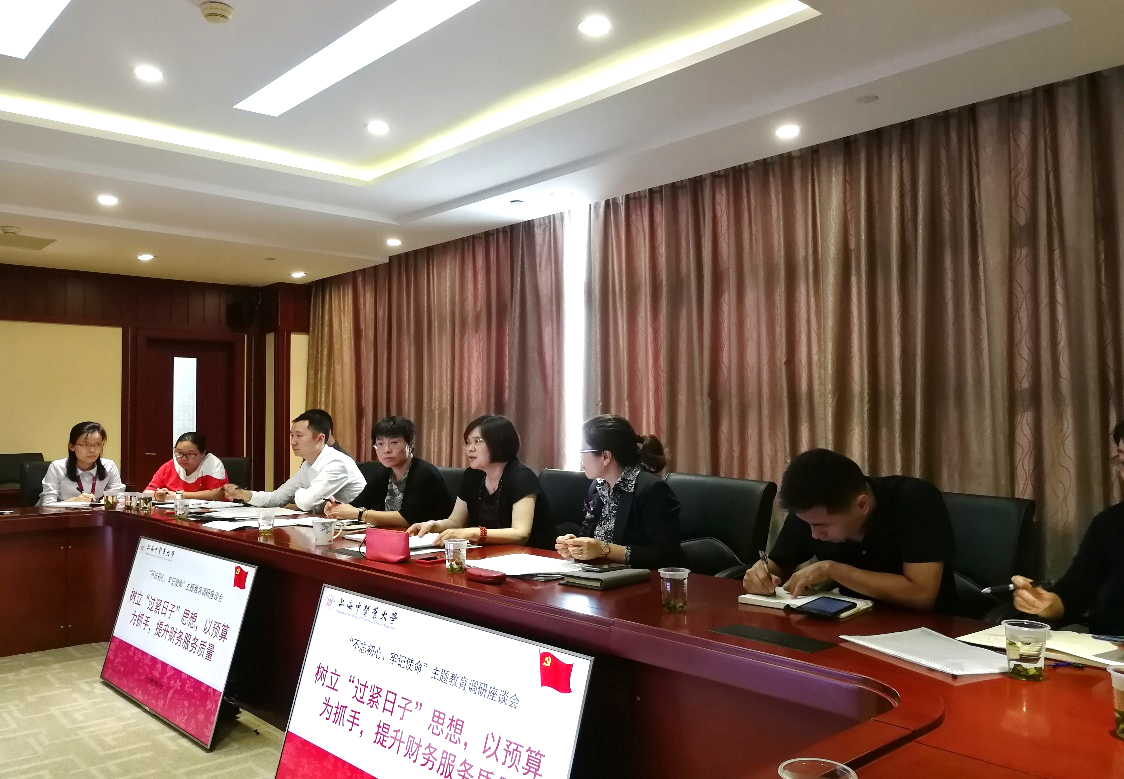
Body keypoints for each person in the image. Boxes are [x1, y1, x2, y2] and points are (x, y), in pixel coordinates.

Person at [743, 448, 958, 613]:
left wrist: (832, 570)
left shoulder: (914, 500)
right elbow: (779, 564)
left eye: (822, 526)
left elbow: (921, 595)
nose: (814, 535)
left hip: (927, 631)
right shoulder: (811, 512)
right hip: (850, 622)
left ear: (862, 505)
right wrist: (761, 575)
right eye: (808, 524)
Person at [1010, 421, 1124, 634]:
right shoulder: (1110, 523)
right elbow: (1073, 595)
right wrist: (1045, 603)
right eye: (1123, 462)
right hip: (1106, 652)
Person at [555, 414, 682, 568]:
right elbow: (589, 535)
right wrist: (575, 545)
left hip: (638, 578)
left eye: (583, 450)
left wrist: (604, 550)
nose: (581, 457)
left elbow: (667, 556)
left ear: (606, 457)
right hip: (600, 575)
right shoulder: (597, 486)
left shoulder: (652, 490)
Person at [407, 415, 551, 547]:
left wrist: (474, 533)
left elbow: (521, 534)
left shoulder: (522, 477)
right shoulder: (472, 475)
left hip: (532, 557)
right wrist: (433, 525)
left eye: (477, 441)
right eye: (468, 442)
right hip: (489, 554)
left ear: (499, 442)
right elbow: (455, 522)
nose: (470, 449)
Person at [223, 411, 365, 512]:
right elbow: (278, 497)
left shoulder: (336, 463)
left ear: (320, 438)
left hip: (357, 530)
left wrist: (299, 492)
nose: (293, 442)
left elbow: (307, 503)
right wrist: (243, 494)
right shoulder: (308, 464)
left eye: (299, 436)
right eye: (292, 435)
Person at [325, 416, 453, 527]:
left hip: (429, 541)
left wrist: (360, 514)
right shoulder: (384, 472)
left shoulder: (424, 473)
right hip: (393, 537)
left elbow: (408, 518)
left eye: (394, 443)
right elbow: (358, 504)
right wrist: (337, 508)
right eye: (380, 444)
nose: (386, 450)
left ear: (410, 444)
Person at [39, 421, 125, 505]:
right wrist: (74, 502)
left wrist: (110, 502)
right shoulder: (57, 467)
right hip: (62, 514)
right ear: (72, 446)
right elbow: (47, 505)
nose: (92, 450)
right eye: (85, 445)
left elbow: (119, 498)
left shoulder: (109, 466)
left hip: (94, 513)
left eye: (97, 444)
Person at [144, 432, 228, 501]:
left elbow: (218, 494)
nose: (184, 458)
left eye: (190, 454)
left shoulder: (212, 464)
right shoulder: (169, 466)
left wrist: (179, 495)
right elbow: (147, 492)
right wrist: (157, 495)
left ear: (203, 453)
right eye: (179, 453)